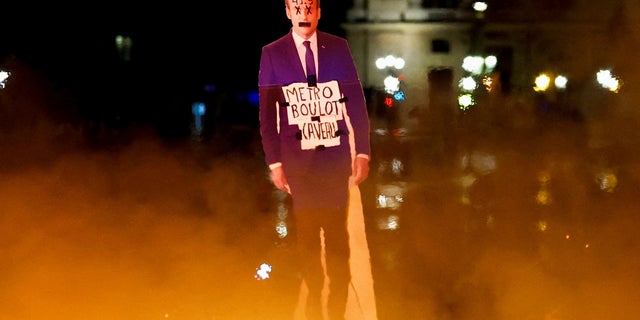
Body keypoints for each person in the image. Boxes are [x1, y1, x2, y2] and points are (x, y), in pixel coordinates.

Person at [257, 0, 371, 319]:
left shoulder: (338, 47)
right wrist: (275, 163)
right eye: (298, 8)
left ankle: (335, 312)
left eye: (310, 8)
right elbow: (267, 115)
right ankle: (313, 311)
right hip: (298, 165)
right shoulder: (273, 53)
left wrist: (362, 150)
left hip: (335, 161)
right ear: (287, 12)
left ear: (319, 11)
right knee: (307, 242)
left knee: (337, 242)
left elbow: (356, 104)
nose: (304, 14)